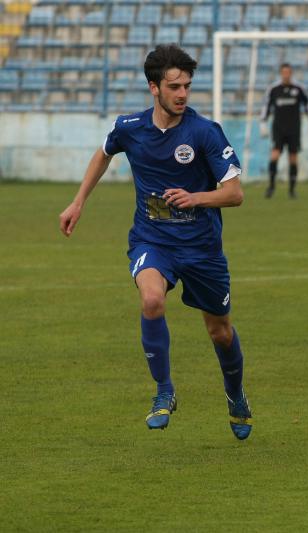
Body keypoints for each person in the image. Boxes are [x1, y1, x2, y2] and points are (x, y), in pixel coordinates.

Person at [58, 44, 253, 440]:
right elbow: (104, 152)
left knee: (220, 331)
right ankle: (164, 391)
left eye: (187, 86)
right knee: (151, 299)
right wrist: (78, 201)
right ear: (154, 88)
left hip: (201, 248)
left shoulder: (204, 132)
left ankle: (235, 395)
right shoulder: (131, 127)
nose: (182, 93)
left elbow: (235, 193)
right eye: (174, 86)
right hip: (153, 239)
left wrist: (196, 197)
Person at [259, 63, 308, 199]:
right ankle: (271, 187)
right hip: (278, 128)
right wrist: (263, 122)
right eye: (284, 72)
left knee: (293, 158)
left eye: (288, 72)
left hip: (294, 128)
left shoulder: (299, 88)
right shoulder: (274, 89)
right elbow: (266, 105)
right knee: (274, 155)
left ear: (291, 73)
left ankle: (292, 190)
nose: (286, 75)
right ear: (281, 73)